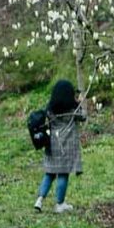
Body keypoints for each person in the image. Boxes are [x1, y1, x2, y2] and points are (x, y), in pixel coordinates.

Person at [34, 79, 86, 213]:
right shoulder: (73, 109)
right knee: (63, 174)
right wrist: (80, 102)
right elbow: (83, 117)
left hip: (52, 144)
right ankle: (60, 203)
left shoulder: (50, 109)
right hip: (66, 146)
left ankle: (39, 199)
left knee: (49, 173)